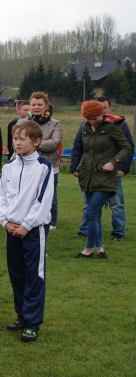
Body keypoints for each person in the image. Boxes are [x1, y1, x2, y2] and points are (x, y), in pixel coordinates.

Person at [0, 120, 54, 342]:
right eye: (15, 138)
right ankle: (21, 315)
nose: (17, 143)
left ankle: (32, 323)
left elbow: (42, 200)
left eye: (22, 139)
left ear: (36, 141)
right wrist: (6, 222)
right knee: (17, 273)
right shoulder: (8, 167)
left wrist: (27, 225)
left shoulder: (43, 167)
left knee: (34, 275)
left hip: (32, 231)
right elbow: (1, 197)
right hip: (11, 230)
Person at [71, 101, 132, 260]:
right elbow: (81, 149)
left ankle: (88, 249)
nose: (93, 121)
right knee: (95, 215)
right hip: (88, 178)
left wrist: (114, 162)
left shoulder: (112, 128)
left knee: (91, 213)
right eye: (89, 118)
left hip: (105, 179)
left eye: (95, 118)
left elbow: (127, 147)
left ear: (102, 113)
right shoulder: (85, 129)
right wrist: (78, 167)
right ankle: (100, 249)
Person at [25, 92, 61, 229]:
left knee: (50, 193)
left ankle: (51, 221)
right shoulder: (23, 123)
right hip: (28, 165)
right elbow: (18, 143)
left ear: (46, 106)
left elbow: (55, 144)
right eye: (33, 104)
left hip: (49, 165)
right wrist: (43, 142)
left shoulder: (55, 124)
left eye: (40, 104)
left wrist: (31, 142)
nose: (36, 107)